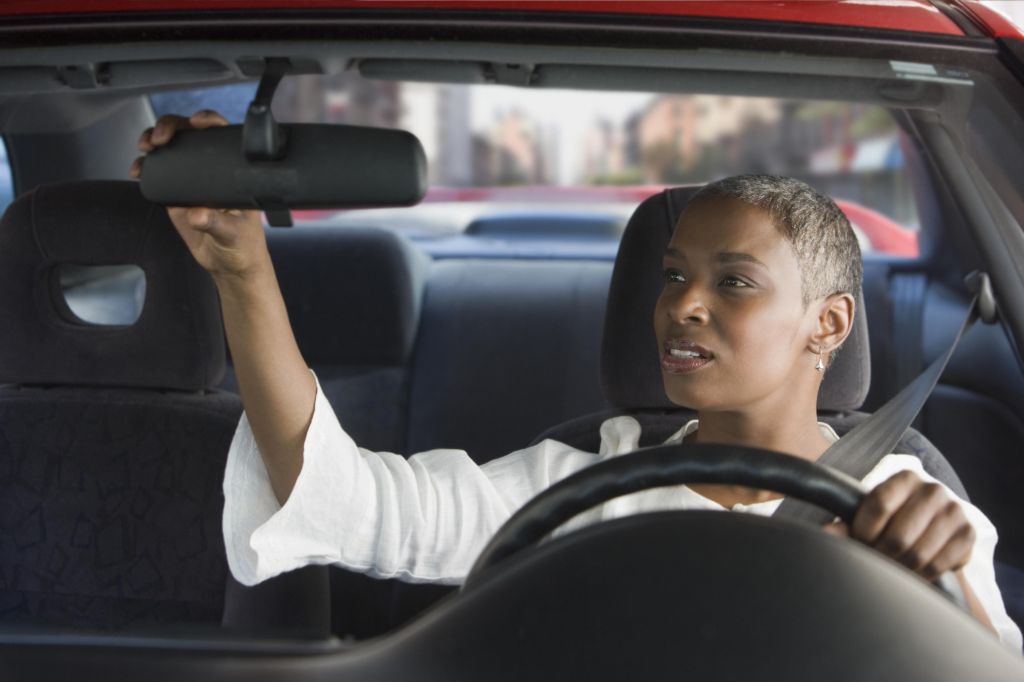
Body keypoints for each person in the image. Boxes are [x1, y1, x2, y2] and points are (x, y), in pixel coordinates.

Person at [132, 110, 1021, 648]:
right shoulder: (580, 482)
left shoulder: (906, 505)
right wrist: (243, 273)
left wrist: (928, 584)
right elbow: (348, 501)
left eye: (733, 282)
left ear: (827, 324)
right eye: (672, 276)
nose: (683, 307)